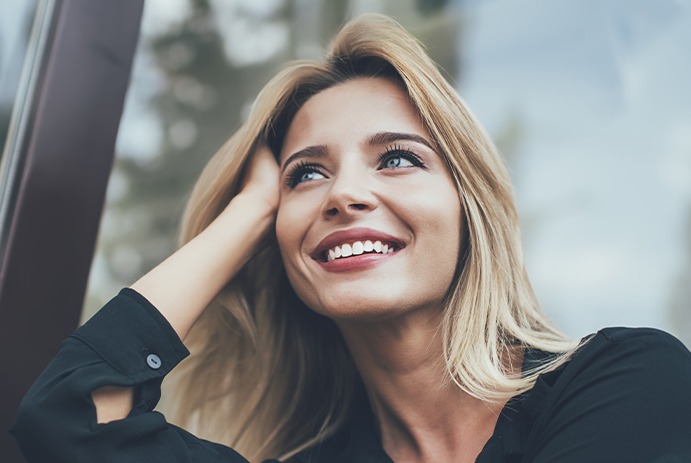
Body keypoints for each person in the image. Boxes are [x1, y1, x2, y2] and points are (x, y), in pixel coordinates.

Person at [11, 13, 691, 463]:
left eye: (397, 157)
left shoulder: (630, 384)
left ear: (467, 205)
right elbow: (71, 418)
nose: (344, 193)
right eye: (306, 175)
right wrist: (248, 209)